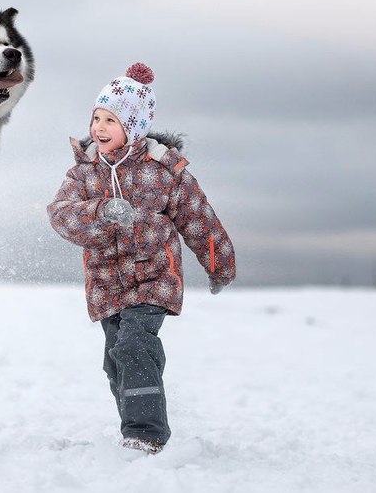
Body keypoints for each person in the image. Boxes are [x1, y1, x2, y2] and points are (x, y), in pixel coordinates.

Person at [47, 63, 236, 454]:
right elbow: (61, 215)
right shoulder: (83, 172)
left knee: (135, 345)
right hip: (106, 285)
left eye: (110, 120)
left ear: (133, 127)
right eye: (96, 118)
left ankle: (146, 434)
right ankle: (133, 425)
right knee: (115, 361)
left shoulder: (164, 170)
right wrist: (101, 212)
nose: (99, 128)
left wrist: (220, 265)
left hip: (154, 279)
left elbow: (198, 218)